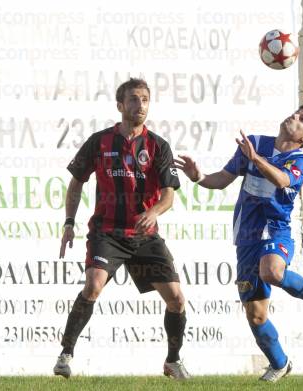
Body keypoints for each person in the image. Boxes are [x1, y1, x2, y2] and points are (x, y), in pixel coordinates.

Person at [174, 104, 303, 382]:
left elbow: (281, 180)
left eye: (302, 120)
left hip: (276, 232)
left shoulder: (299, 160)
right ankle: (279, 362)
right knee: (255, 315)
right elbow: (223, 179)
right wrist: (199, 176)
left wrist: (256, 160)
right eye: (295, 113)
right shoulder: (254, 143)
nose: (294, 117)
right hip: (246, 237)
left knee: (272, 271)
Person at [54, 78, 190, 380]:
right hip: (107, 232)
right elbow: (76, 183)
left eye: (144, 99)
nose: (139, 105)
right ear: (120, 105)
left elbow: (169, 195)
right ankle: (65, 354)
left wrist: (153, 212)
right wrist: (68, 223)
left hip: (144, 236)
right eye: (133, 99)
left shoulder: (157, 146)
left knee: (177, 300)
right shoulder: (100, 142)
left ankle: (173, 360)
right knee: (92, 287)